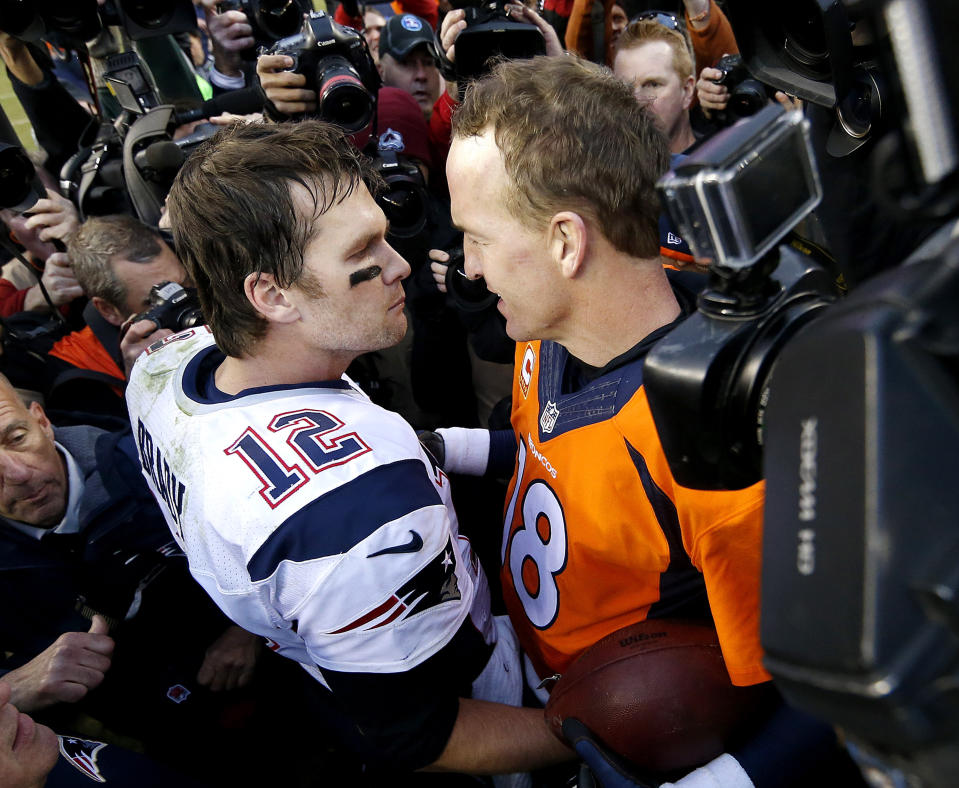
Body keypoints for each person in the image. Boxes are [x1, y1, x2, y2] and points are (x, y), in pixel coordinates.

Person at [431, 55, 858, 787]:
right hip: (541, 675)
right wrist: (447, 448)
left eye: (479, 235)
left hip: (640, 727)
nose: (469, 266)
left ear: (566, 242)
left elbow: (825, 685)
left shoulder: (716, 439)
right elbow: (553, 449)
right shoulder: (549, 319)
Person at [124, 119, 573, 781]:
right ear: (271, 294)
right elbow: (424, 736)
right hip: (474, 704)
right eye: (363, 250)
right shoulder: (366, 511)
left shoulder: (165, 368)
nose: (399, 265)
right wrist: (595, 736)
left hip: (323, 661)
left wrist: (525, 451)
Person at [0, 373, 278, 783]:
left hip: (273, 675)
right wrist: (15, 688)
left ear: (42, 420)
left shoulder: (156, 462)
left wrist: (248, 628)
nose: (18, 474)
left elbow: (275, 537)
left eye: (16, 437)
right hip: (158, 736)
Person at [613, 16, 697, 153]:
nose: (637, 101)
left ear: (687, 90)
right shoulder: (605, 171)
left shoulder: (722, 163)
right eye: (625, 89)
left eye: (652, 85)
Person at [377, 13, 442, 119]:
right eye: (406, 63)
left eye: (428, 63)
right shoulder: (363, 132)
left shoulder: (461, 128)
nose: (421, 75)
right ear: (381, 73)